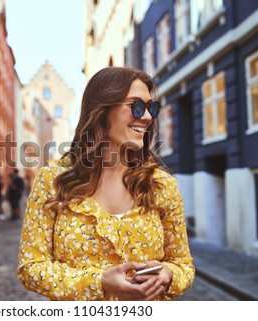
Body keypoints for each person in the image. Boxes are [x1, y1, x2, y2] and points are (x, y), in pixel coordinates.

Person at [17, 67, 195, 301]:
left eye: (151, 107)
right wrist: (98, 283)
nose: (147, 117)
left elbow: (183, 265)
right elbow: (31, 267)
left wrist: (168, 274)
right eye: (136, 106)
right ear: (102, 110)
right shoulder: (53, 180)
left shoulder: (161, 186)